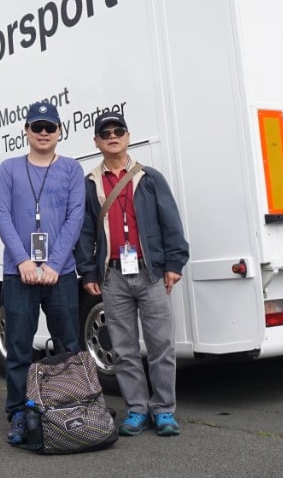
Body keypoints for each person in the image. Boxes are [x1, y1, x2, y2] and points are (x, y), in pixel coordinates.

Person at [76, 111, 189, 437]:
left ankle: (164, 411)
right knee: (124, 350)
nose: (112, 136)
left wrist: (174, 264)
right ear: (96, 141)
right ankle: (137, 410)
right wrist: (88, 271)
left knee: (161, 346)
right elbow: (85, 232)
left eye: (118, 131)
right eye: (105, 133)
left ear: (128, 136)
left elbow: (171, 222)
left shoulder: (150, 178)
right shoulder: (90, 184)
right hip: (113, 277)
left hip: (150, 274)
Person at [0, 99, 86, 445]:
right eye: (37, 127)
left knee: (69, 346)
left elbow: (75, 218)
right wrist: (23, 261)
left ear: (59, 131)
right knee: (18, 347)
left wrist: (54, 264)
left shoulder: (72, 170)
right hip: (18, 274)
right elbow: (2, 216)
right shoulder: (8, 169)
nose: (43, 132)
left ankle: (73, 407)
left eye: (50, 127)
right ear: (26, 131)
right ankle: (18, 412)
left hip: (60, 274)